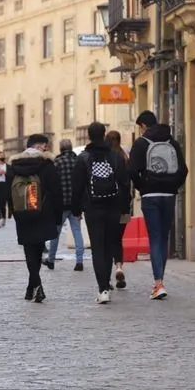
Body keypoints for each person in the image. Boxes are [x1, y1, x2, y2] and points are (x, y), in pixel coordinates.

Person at [128, 110, 188, 300]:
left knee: (154, 238)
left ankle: (158, 283)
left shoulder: (140, 144)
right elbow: (183, 170)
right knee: (163, 237)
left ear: (144, 126)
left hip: (150, 196)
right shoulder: (172, 142)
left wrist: (142, 187)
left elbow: (131, 171)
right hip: (169, 195)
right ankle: (160, 281)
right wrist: (172, 186)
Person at [71, 122, 130, 304]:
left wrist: (76, 209)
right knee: (110, 245)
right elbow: (125, 183)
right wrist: (124, 208)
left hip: (93, 207)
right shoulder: (115, 156)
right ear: (104, 134)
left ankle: (103, 288)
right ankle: (107, 282)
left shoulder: (83, 158)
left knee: (98, 247)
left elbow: (77, 186)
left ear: (89, 136)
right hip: (113, 206)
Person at [9, 134, 62, 303]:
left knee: (29, 249)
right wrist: (58, 216)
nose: (46, 148)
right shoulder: (47, 165)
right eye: (45, 145)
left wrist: (14, 212)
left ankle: (31, 286)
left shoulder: (14, 165)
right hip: (43, 213)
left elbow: (8, 192)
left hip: (22, 213)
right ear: (39, 146)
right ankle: (37, 285)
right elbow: (56, 191)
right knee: (38, 249)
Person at [46, 139, 85, 271]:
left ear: (60, 149)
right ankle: (79, 261)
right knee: (77, 232)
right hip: (75, 203)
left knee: (55, 233)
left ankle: (51, 260)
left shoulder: (56, 162)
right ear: (71, 147)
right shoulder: (78, 161)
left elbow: (52, 184)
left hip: (60, 204)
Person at [106, 130, 132, 289]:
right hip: (124, 206)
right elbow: (127, 183)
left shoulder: (105, 158)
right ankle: (119, 267)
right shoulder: (125, 157)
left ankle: (107, 276)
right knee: (118, 239)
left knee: (107, 241)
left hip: (107, 204)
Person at [0, 151, 12, 228]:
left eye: (3, 155)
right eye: (1, 156)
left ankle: (3, 218)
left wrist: (5, 173)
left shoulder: (9, 166)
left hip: (5, 186)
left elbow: (12, 175)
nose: (2, 157)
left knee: (3, 204)